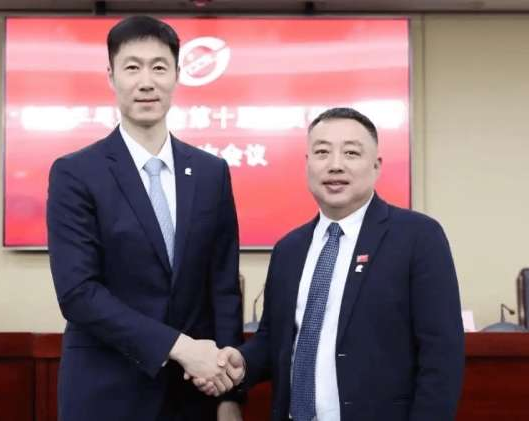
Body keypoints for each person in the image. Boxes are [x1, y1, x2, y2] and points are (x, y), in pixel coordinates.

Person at [196, 107, 465, 421]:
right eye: (322, 152)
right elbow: (274, 340)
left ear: (376, 166)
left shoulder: (418, 237)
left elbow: (441, 355)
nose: (335, 165)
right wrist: (242, 364)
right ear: (307, 164)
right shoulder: (289, 249)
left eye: (351, 153)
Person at [47, 16, 243, 421]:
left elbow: (223, 288)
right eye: (132, 67)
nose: (146, 82)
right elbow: (78, 293)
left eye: (159, 67)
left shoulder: (211, 173)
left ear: (177, 75)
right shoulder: (76, 173)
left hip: (193, 395)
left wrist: (229, 395)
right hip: (105, 393)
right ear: (111, 75)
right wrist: (181, 347)